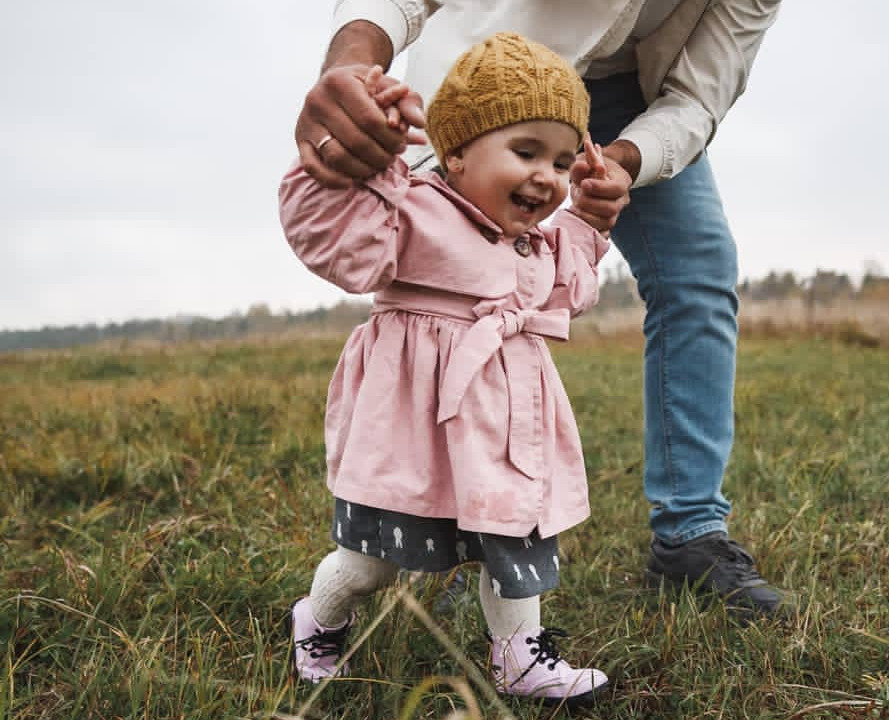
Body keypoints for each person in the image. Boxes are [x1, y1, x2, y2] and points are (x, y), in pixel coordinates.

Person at [296, 1, 787, 619]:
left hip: (633, 100)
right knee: (455, 285)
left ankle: (691, 535)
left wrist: (623, 163)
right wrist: (349, 63)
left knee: (700, 275)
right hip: (496, 73)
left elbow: (698, 96)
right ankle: (453, 524)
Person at [280, 32, 616, 707]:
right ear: (456, 152)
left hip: (503, 428)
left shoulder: (535, 243)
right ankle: (318, 617)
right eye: (525, 152)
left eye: (561, 159)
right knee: (371, 562)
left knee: (514, 539)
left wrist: (588, 219)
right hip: (412, 430)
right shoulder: (410, 207)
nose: (546, 176)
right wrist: (356, 170)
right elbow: (336, 247)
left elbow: (568, 289)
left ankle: (520, 657)